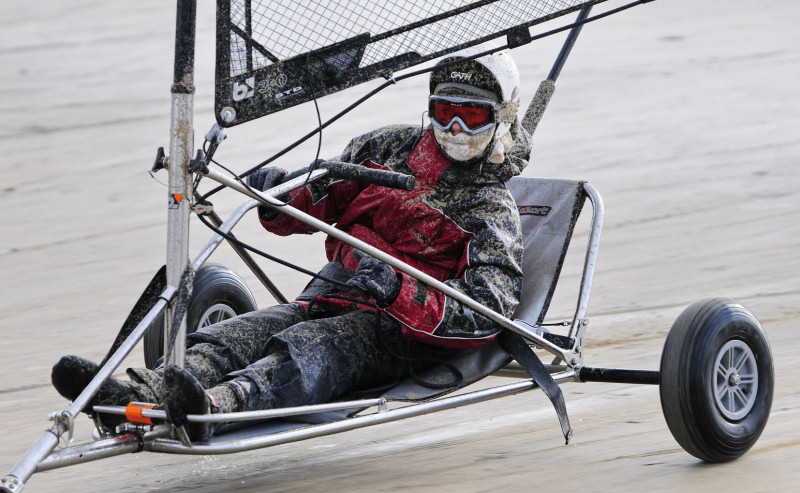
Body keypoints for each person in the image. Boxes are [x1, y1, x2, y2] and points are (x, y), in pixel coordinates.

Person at [51, 48, 531, 441]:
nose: (455, 130)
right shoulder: (388, 149)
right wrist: (278, 194)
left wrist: (398, 287)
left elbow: (488, 312)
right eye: (445, 113)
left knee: (306, 346)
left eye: (471, 116)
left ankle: (214, 407)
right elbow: (320, 195)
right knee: (241, 333)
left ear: (501, 117)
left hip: (400, 333)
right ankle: (138, 395)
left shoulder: (491, 210)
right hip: (331, 294)